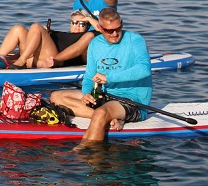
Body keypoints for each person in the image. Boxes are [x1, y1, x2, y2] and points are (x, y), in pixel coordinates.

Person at [48, 9, 152, 144]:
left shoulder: (135, 40)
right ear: (101, 28)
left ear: (121, 24)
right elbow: (89, 76)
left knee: (100, 113)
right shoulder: (95, 44)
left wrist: (109, 77)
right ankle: (110, 118)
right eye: (109, 31)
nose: (115, 34)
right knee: (56, 97)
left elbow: (144, 70)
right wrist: (86, 93)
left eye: (118, 29)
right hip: (106, 96)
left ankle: (89, 155)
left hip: (133, 100)